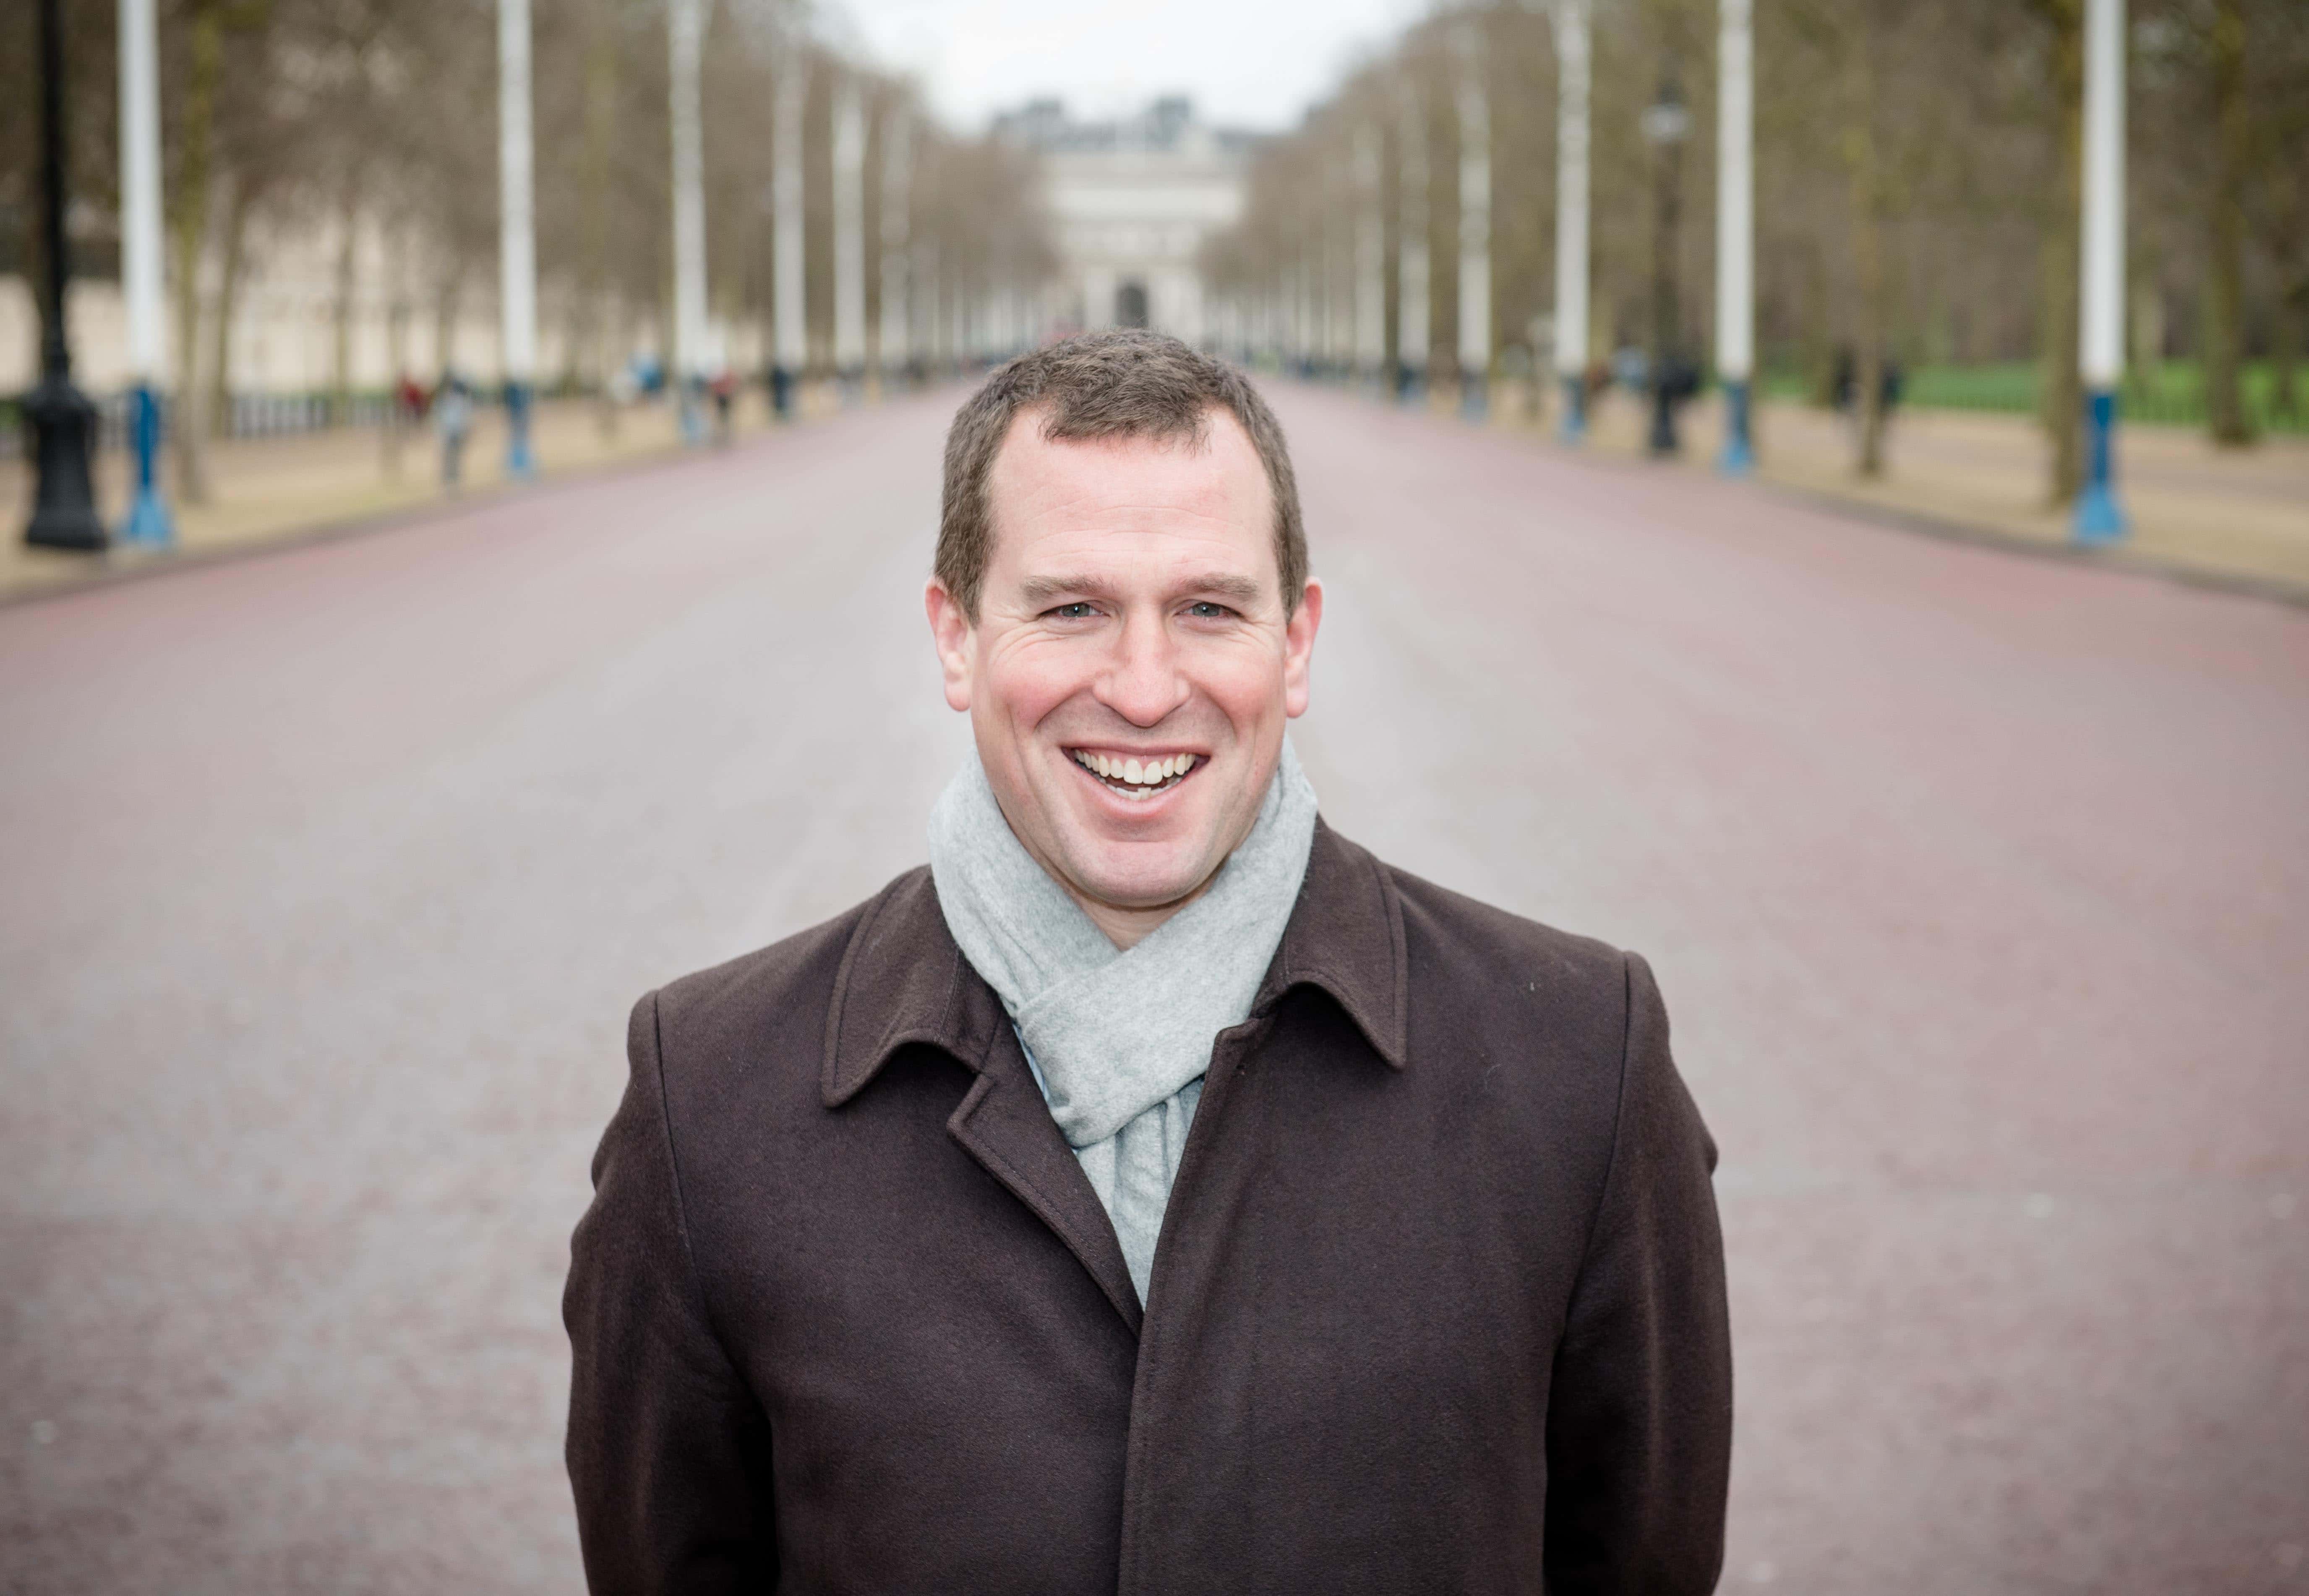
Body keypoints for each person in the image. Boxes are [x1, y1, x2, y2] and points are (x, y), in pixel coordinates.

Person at [564, 329, 1732, 1593]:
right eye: (1071, 608)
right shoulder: (711, 1099)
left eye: (1208, 609)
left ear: (1295, 642)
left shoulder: (1579, 1067)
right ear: (954, 637)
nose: (1140, 685)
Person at [435, 374, 472, 489]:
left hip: (456, 432)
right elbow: (438, 418)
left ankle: (455, 481)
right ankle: (448, 481)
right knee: (447, 457)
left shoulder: (460, 401)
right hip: (447, 433)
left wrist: (465, 431)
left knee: (455, 457)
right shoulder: (443, 401)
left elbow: (465, 417)